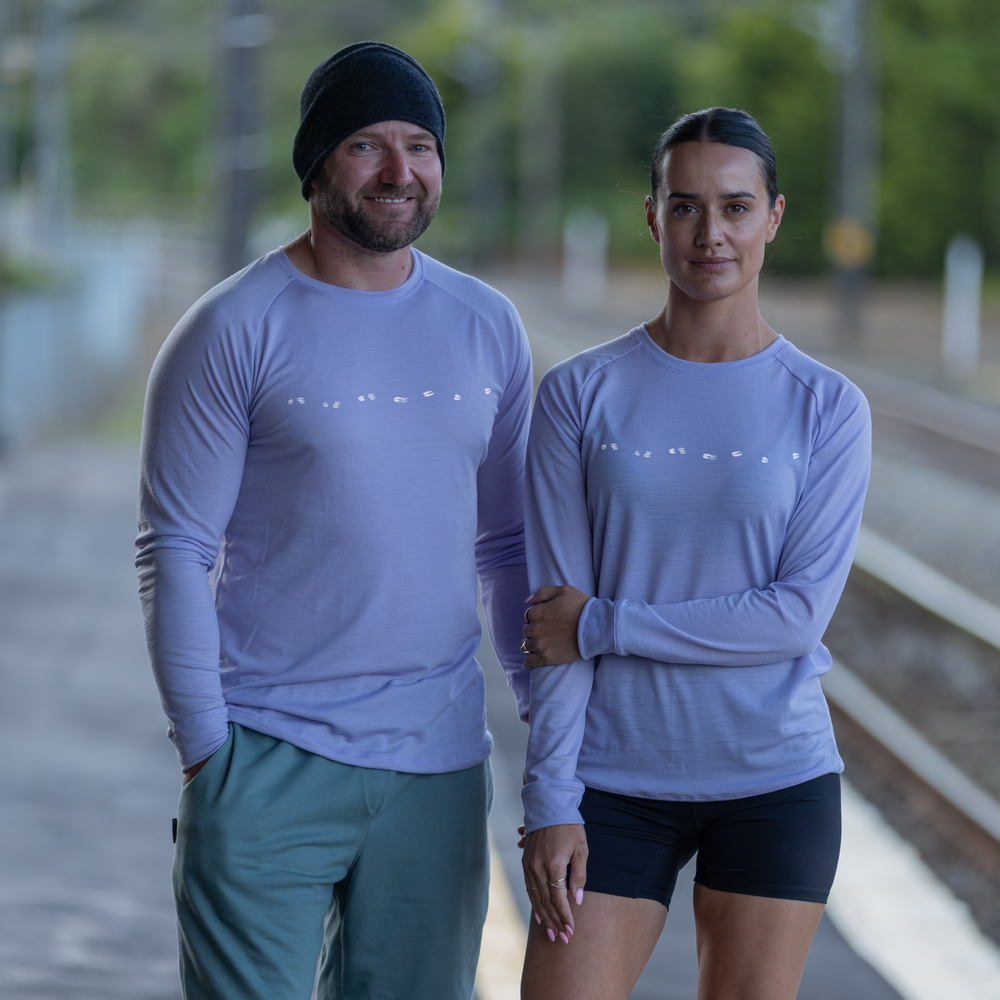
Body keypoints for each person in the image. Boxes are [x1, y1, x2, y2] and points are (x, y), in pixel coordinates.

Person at [135, 42, 532, 1000]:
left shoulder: (488, 325)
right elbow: (175, 549)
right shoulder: (233, 328)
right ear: (316, 165)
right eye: (366, 145)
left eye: (420, 146)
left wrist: (548, 737)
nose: (401, 172)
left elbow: (509, 547)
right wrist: (207, 753)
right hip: (266, 756)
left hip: (438, 770)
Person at [516, 107, 871, 1000]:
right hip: (613, 781)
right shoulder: (579, 396)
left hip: (774, 779)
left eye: (736, 207)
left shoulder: (827, 407)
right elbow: (548, 629)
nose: (711, 233)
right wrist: (550, 800)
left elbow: (795, 617)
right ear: (652, 217)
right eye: (684, 207)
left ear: (775, 217)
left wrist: (607, 624)